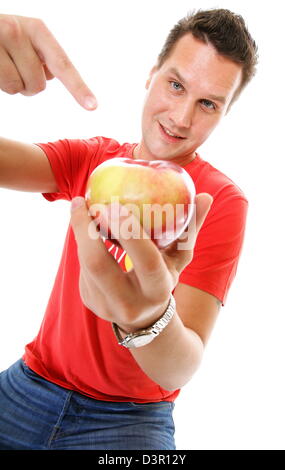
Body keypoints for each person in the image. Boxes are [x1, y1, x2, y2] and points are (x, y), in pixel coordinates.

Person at [0, 9, 258, 450]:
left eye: (208, 104)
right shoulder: (97, 160)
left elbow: (180, 367)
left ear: (224, 113)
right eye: (176, 85)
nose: (180, 117)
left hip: (127, 422)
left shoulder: (215, 201)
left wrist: (147, 318)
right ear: (152, 74)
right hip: (27, 388)